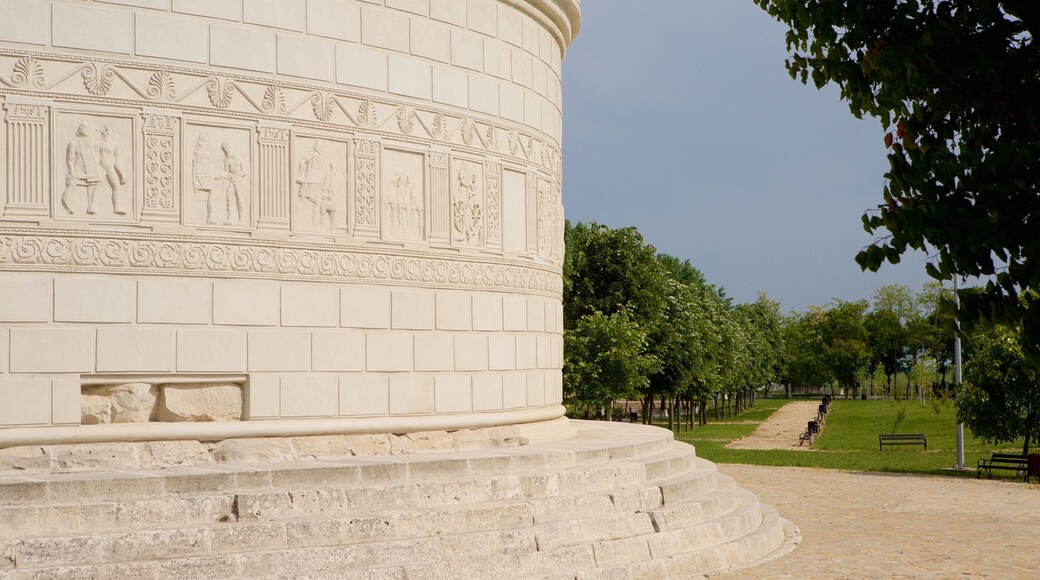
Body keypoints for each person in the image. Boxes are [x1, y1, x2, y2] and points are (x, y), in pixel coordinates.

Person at [61, 122, 100, 214]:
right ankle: (67, 203)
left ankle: (91, 206)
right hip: (78, 169)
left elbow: (95, 153)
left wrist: (96, 163)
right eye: (86, 128)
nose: (88, 130)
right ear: (81, 129)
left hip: (91, 168)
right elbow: (70, 158)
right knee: (71, 185)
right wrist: (71, 171)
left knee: (93, 184)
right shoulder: (73, 142)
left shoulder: (91, 141)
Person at [96, 125, 127, 215]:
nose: (107, 132)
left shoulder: (115, 145)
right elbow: (96, 158)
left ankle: (116, 207)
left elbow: (116, 161)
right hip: (101, 167)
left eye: (108, 130)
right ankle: (92, 206)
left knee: (116, 186)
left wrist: (122, 174)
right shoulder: (98, 144)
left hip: (110, 168)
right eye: (105, 130)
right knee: (96, 186)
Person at [219, 142, 247, 226]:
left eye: (226, 149)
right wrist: (222, 175)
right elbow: (226, 172)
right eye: (224, 150)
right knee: (228, 196)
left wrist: (234, 175)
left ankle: (241, 219)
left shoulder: (238, 158)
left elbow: (244, 172)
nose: (226, 151)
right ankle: (229, 218)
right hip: (231, 181)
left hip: (239, 181)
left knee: (240, 199)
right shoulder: (227, 160)